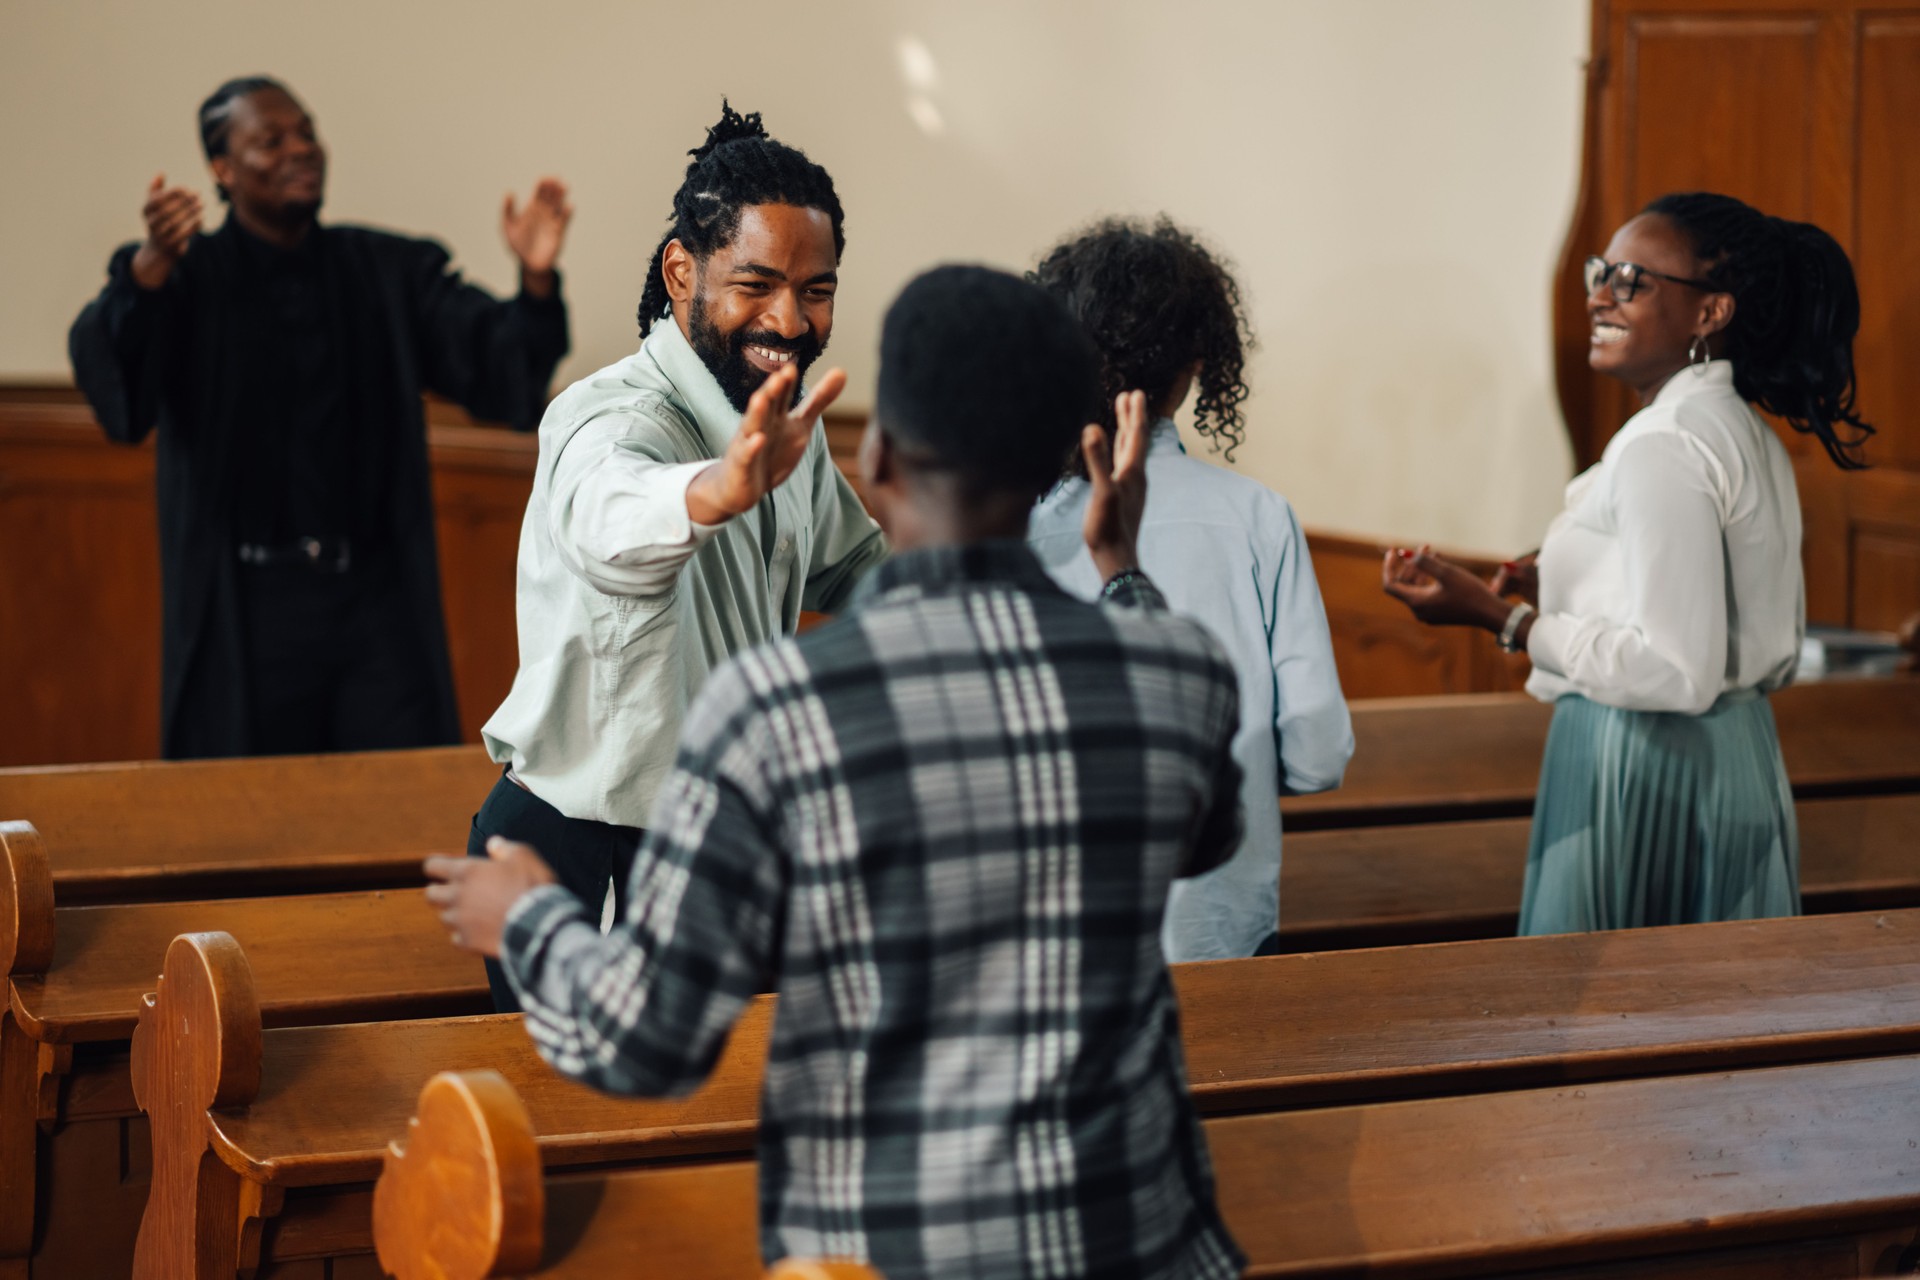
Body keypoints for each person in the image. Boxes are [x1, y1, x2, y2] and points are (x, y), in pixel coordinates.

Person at [426, 265, 1248, 1279]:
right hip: (1147, 1245)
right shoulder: (1176, 672)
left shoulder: (779, 711)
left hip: (899, 1254)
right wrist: (1120, 574)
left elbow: (652, 1040)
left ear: (881, 455)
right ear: (1067, 465)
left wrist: (529, 919)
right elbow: (1209, 835)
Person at [470, 103, 885, 1011]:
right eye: (758, 283)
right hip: (592, 852)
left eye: (817, 290)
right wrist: (713, 494)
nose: (791, 318)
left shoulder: (782, 419)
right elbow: (609, 522)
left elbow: (856, 571)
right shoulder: (611, 416)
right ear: (682, 270)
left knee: (707, 1138)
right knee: (601, 1141)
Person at [1382, 192, 1874, 934]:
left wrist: (1506, 619)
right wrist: (1573, 585)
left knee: (1610, 1018)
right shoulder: (1738, 428)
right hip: (1734, 752)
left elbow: (1676, 670)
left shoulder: (1664, 443)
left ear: (1711, 313)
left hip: (1648, 763)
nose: (1599, 296)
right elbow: (1716, 602)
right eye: (1598, 272)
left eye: (1633, 280)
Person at [68, 76, 572, 759]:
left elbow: (497, 365)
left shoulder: (386, 271)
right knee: (248, 817)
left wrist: (535, 281)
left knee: (396, 809)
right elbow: (116, 390)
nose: (300, 149)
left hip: (374, 604)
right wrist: (152, 264)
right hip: (246, 608)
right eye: (270, 140)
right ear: (222, 169)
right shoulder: (189, 279)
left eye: (306, 132)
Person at [1027, 216, 1352, 961]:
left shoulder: (1020, 520)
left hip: (1055, 944)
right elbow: (1316, 752)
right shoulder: (1257, 517)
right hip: (1219, 930)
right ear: (1199, 362)